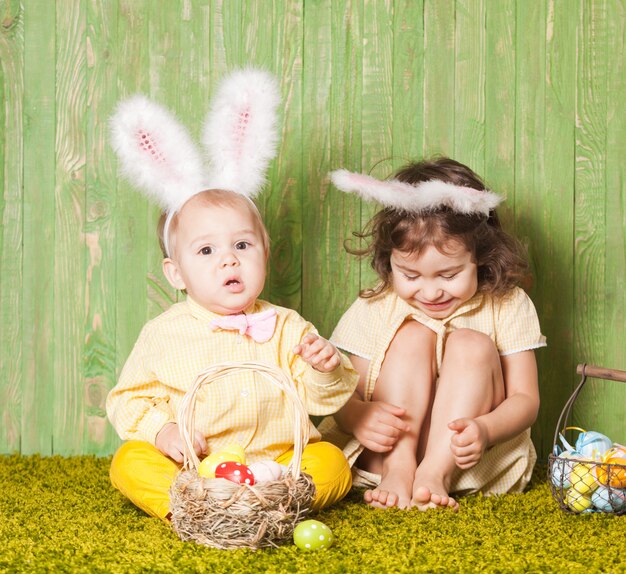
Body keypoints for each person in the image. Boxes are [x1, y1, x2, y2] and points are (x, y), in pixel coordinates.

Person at [105, 69, 358, 521]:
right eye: (206, 250)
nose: (228, 260)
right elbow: (128, 398)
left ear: (265, 252)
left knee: (334, 463)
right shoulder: (163, 333)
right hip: (195, 471)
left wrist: (326, 366)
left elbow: (322, 402)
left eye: (242, 245)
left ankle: (270, 504)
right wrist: (162, 431)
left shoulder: (287, 326)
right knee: (128, 463)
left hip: (276, 466)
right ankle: (193, 508)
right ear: (176, 273)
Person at [319, 157, 546, 511]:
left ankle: (434, 474)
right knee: (412, 334)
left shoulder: (508, 304)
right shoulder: (376, 304)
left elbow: (525, 399)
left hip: (467, 459)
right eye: (410, 276)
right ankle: (401, 467)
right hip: (387, 451)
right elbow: (346, 389)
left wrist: (484, 430)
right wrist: (357, 417)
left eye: (448, 275)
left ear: (481, 257)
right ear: (389, 259)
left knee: (472, 343)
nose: (430, 292)